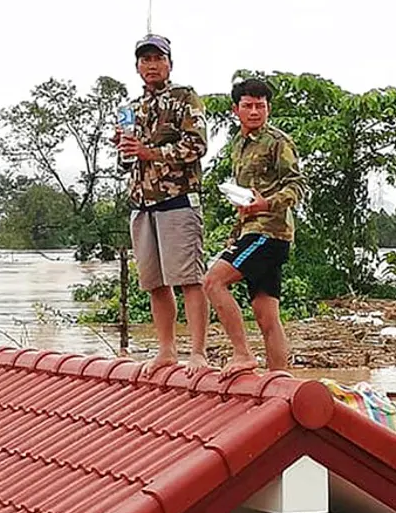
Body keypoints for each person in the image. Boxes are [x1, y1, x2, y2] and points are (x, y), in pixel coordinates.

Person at [115, 34, 210, 375]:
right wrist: (124, 148)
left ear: (170, 63)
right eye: (145, 59)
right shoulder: (131, 107)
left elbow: (197, 146)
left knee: (189, 278)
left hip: (177, 199)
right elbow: (125, 164)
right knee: (154, 282)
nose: (151, 65)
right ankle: (166, 350)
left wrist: (150, 152)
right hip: (141, 203)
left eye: (158, 58)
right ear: (137, 66)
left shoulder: (185, 98)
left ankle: (198, 352)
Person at [202, 78, 308, 378]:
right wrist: (235, 231)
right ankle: (280, 381)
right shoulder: (238, 145)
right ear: (236, 109)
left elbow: (298, 185)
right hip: (250, 231)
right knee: (266, 316)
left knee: (213, 282)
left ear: (268, 108)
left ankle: (242, 354)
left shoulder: (278, 141)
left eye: (260, 106)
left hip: (269, 233)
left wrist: (267, 204)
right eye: (247, 105)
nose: (254, 111)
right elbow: (245, 196)